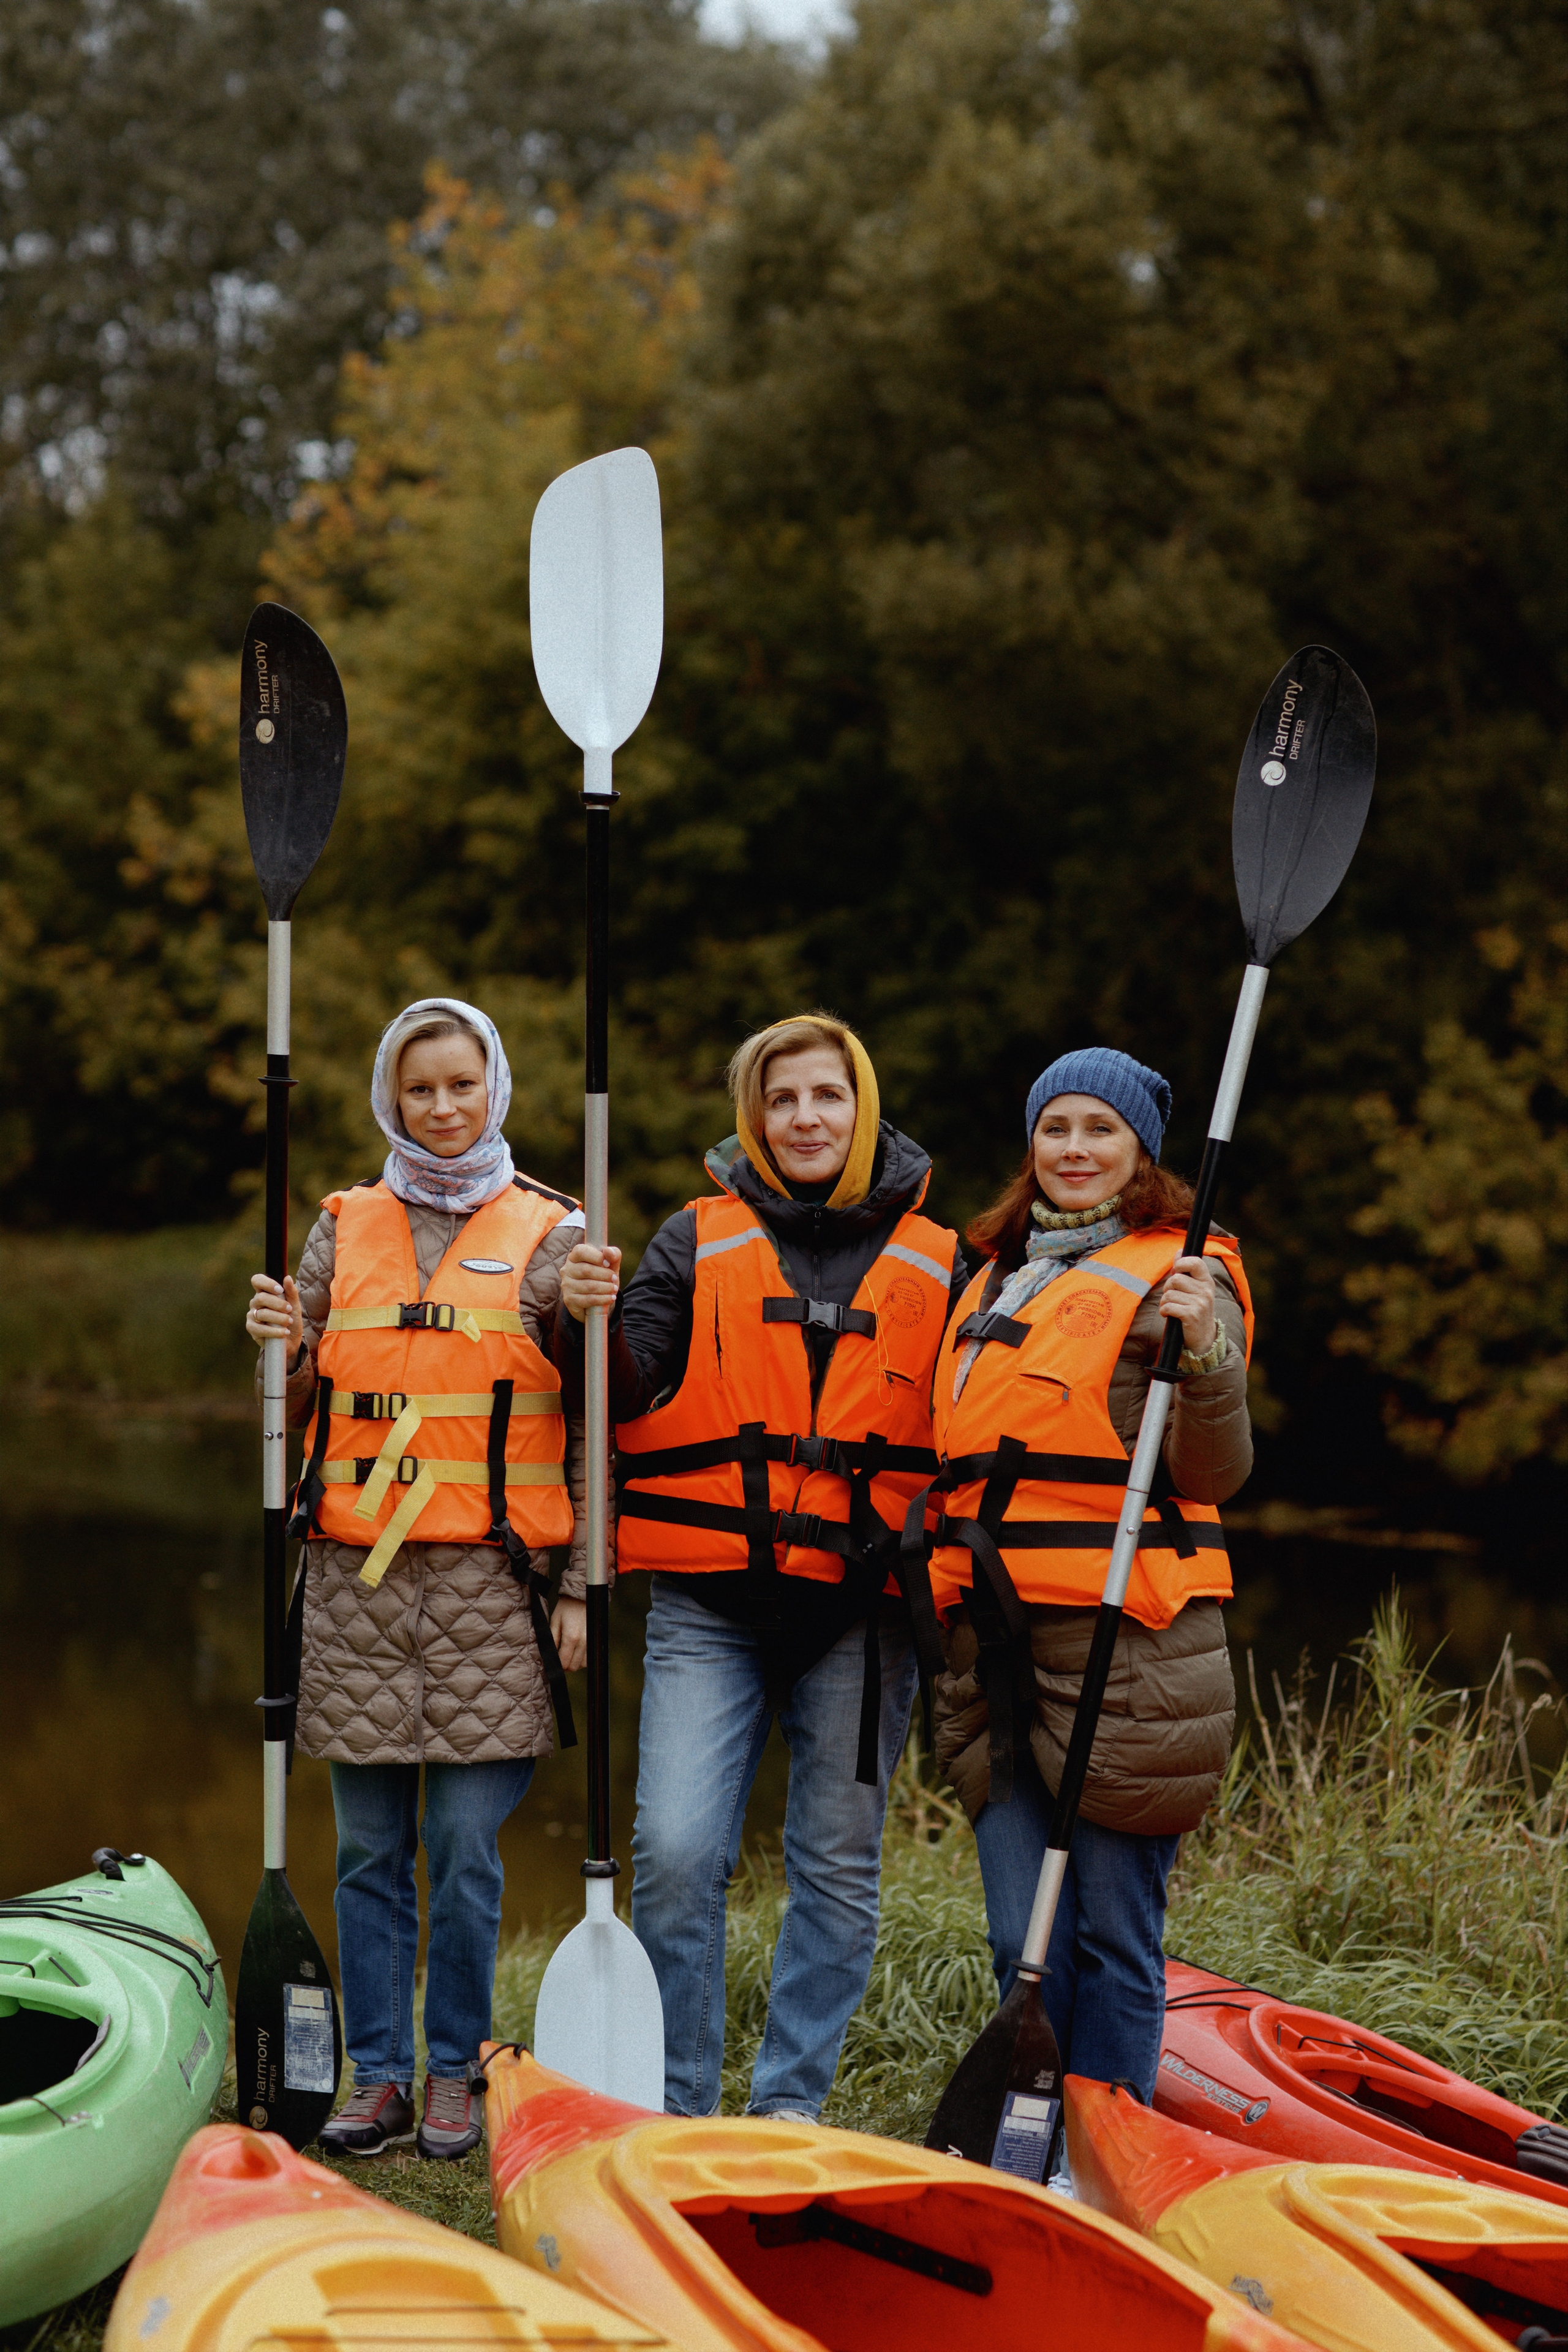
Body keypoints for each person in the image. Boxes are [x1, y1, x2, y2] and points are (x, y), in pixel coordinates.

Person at [557, 1012, 969, 2120]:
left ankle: (790, 2108)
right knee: (678, 1849)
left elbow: (982, 1419)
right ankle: (680, 2105)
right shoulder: (694, 1238)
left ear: (862, 1104)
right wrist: (581, 1325)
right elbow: (627, 1389)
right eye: (780, 1101)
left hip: (867, 1606)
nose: (804, 1119)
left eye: (825, 1096)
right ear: (753, 1117)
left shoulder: (947, 1258)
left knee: (835, 1864)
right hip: (713, 1599)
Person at [244, 997, 589, 2161]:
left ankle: (455, 2069)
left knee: (467, 1846)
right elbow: (284, 1426)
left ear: (496, 1085)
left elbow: (596, 1428)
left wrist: (583, 1587)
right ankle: (378, 2073)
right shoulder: (342, 1227)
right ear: (390, 1098)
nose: (442, 1107)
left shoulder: (554, 1231)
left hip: (496, 1590)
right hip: (357, 1592)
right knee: (366, 1851)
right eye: (420, 1088)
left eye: (461, 1084)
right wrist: (275, 1354)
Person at [916, 1047, 1253, 2106]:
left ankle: (1114, 2154)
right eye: (1056, 1128)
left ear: (1139, 1151)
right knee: (1023, 1935)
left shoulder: (1186, 1273)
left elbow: (1215, 1469)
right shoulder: (991, 1274)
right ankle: (1035, 2148)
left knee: (1114, 1932)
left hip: (1128, 1653)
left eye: (1099, 1130)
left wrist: (1206, 1355)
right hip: (994, 1650)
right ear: (1032, 1146)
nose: (1074, 1149)